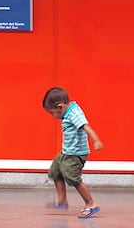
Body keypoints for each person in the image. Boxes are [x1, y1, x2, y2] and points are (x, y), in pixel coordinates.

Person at [42, 87, 104, 219]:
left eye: (52, 113)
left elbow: (86, 126)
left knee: (72, 178)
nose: (53, 116)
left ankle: (91, 204)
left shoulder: (74, 113)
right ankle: (62, 201)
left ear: (60, 107)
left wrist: (96, 141)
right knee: (55, 171)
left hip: (76, 153)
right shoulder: (67, 111)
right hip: (67, 151)